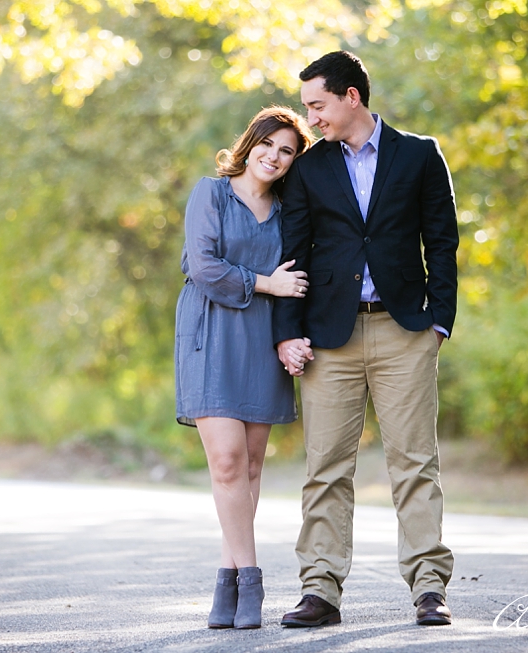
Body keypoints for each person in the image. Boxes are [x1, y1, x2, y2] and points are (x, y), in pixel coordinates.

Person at [272, 51, 460, 627]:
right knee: (325, 465)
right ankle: (320, 589)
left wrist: (439, 321)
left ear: (351, 96)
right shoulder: (308, 167)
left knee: (415, 462)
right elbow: (291, 253)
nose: (311, 119)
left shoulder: (421, 155)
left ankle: (429, 586)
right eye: (307, 108)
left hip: (405, 331)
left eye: (317, 105)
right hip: (329, 336)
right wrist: (288, 334)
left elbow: (443, 243)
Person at [174, 107, 315, 629]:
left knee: (252, 466)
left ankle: (226, 583)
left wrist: (290, 326)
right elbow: (204, 266)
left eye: (287, 152)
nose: (275, 157)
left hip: (260, 340)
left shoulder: (284, 212)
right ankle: (252, 578)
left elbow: (300, 275)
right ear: (250, 142)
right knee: (228, 462)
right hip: (210, 335)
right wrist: (265, 283)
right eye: (269, 145)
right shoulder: (210, 194)